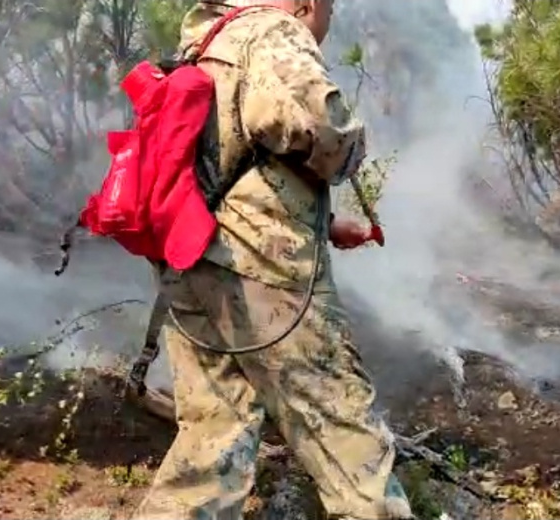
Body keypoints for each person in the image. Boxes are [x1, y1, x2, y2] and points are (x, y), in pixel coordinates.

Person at [131, 1, 413, 519]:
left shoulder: (205, 42)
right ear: (306, 4)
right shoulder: (275, 30)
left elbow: (229, 160)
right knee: (345, 433)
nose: (327, 24)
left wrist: (324, 225)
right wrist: (355, 146)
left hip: (192, 264)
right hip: (262, 272)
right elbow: (320, 129)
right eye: (328, 9)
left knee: (211, 443)